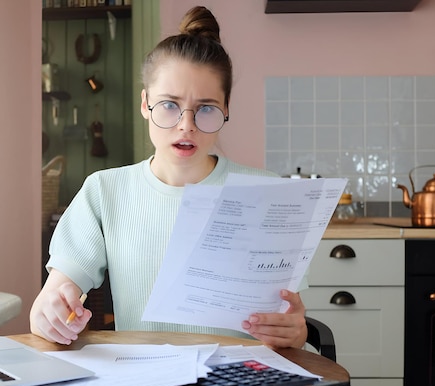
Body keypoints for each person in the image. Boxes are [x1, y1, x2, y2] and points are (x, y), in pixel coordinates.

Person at [30, 5, 308, 350]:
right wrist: (51, 311)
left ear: (226, 109)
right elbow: (53, 295)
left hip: (241, 382)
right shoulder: (105, 191)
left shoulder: (265, 193)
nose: (186, 124)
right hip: (144, 380)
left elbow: (292, 322)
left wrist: (296, 332)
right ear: (145, 103)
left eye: (206, 108)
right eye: (169, 104)